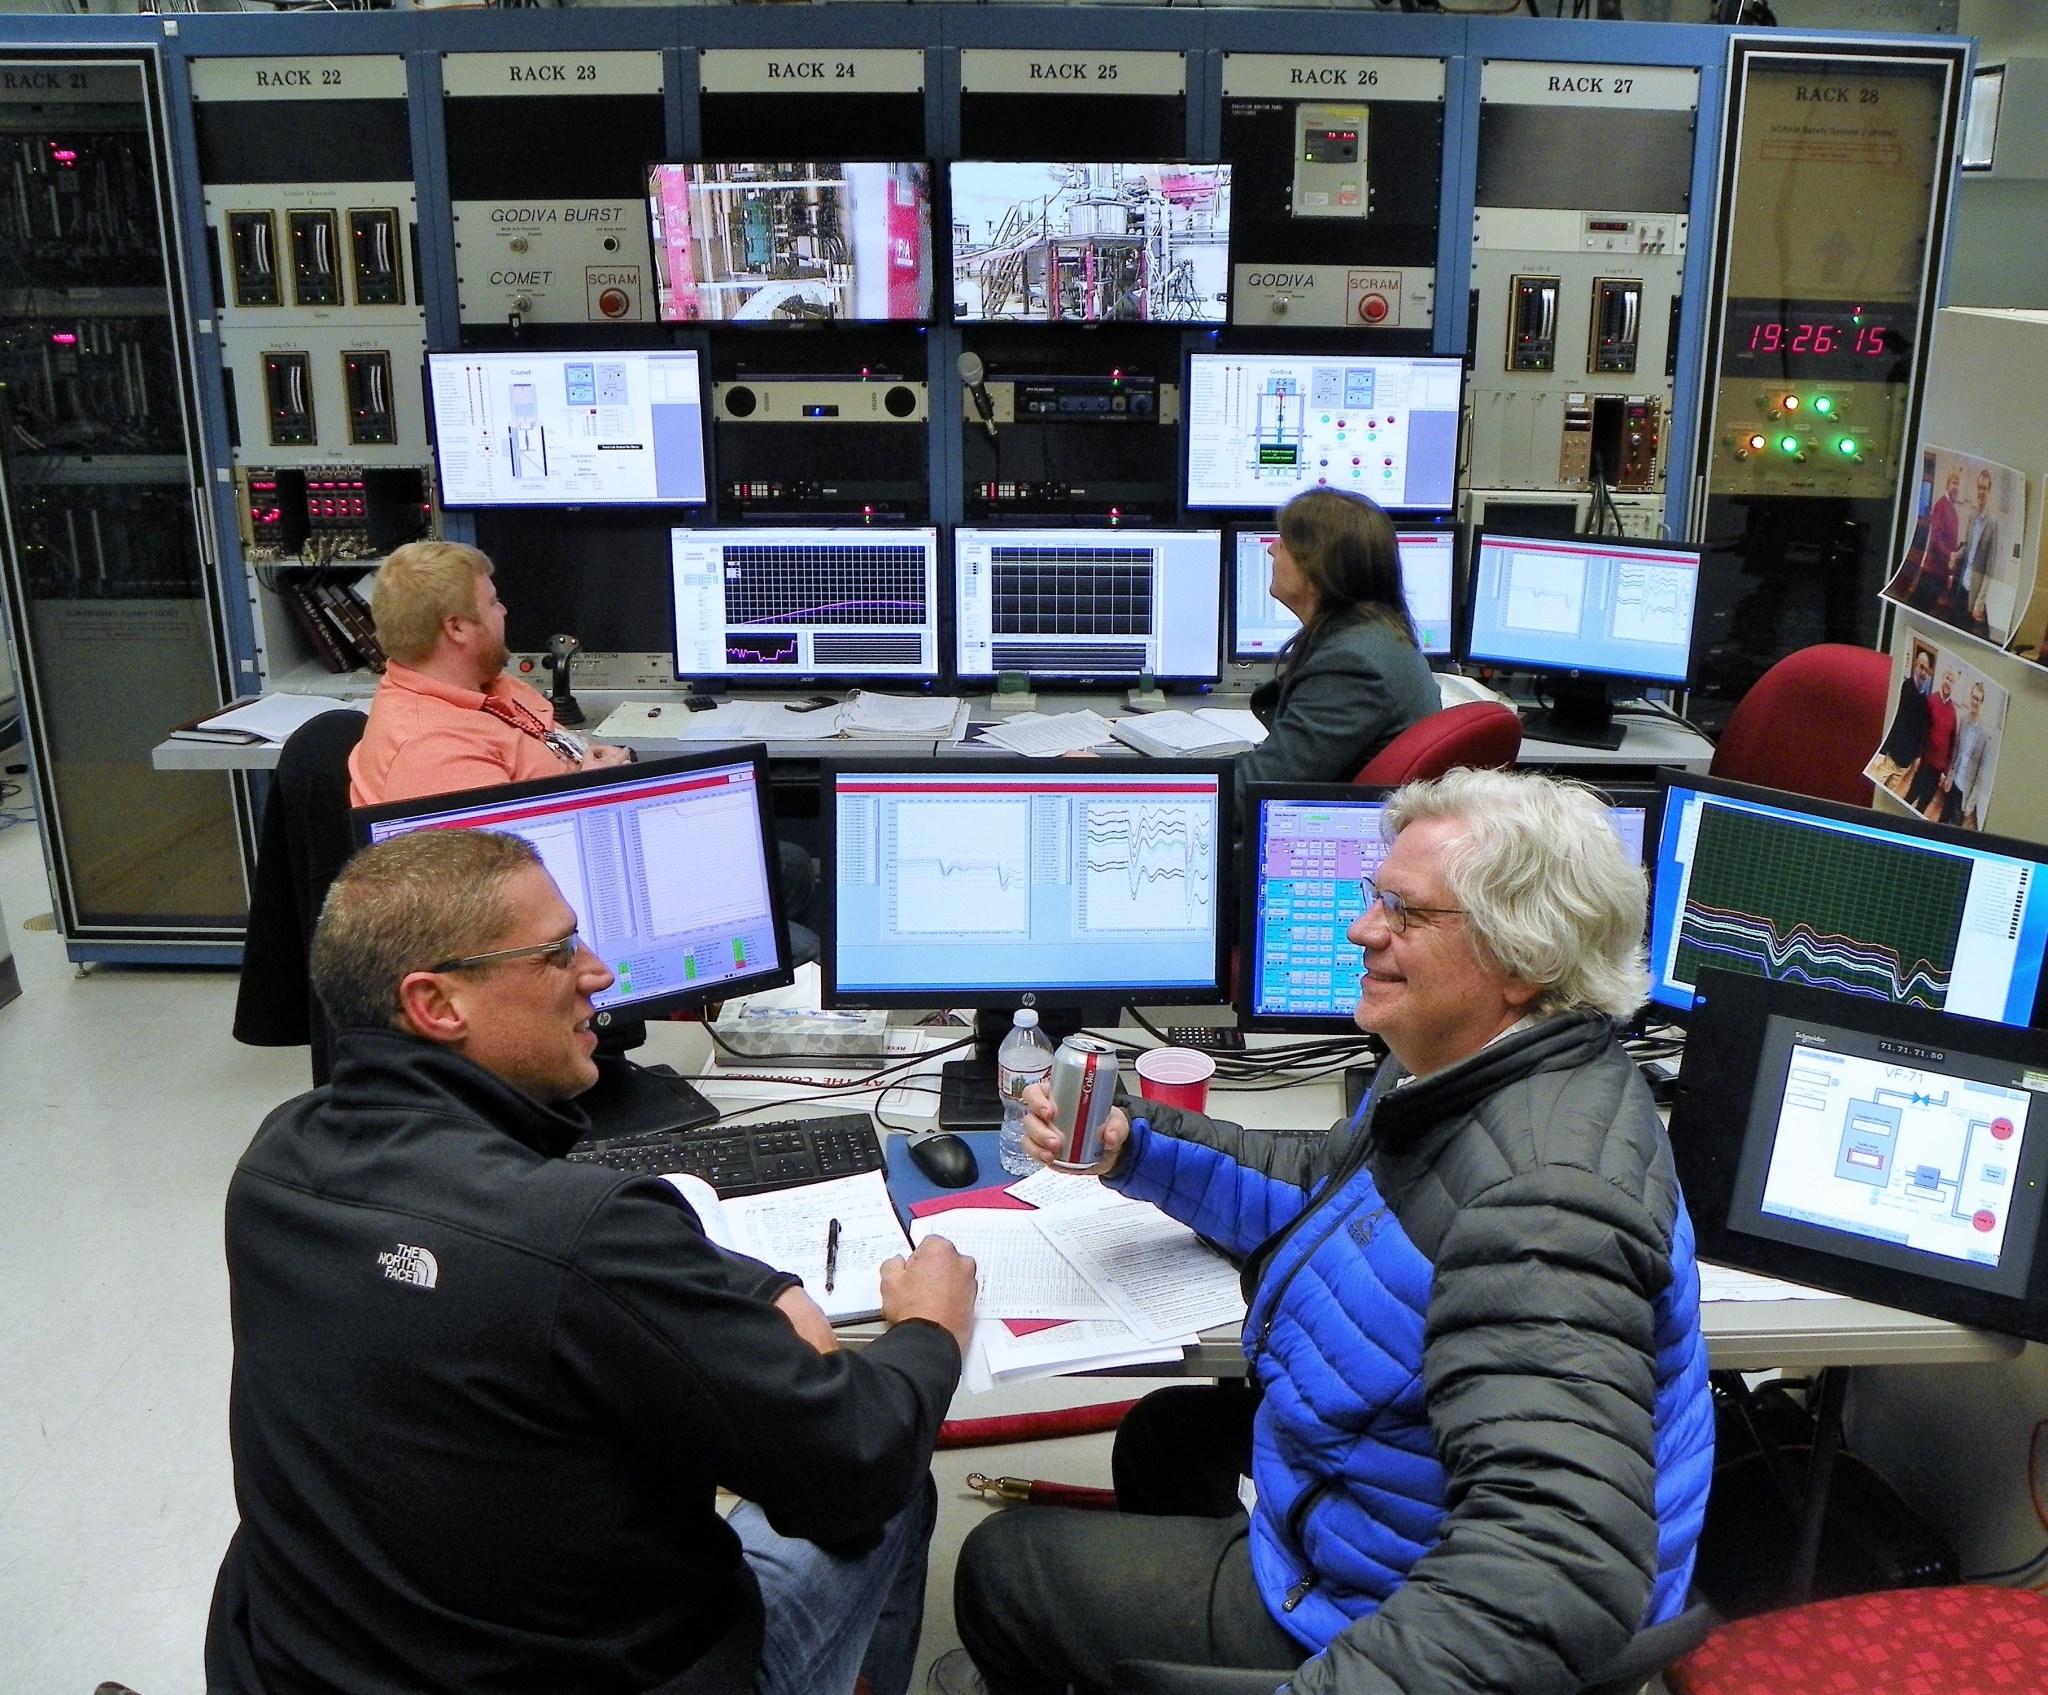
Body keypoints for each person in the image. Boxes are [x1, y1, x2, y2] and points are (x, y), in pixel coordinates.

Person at [955, 768, 1715, 1695]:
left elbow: (1556, 1566)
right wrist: (1134, 1147)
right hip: (1393, 1509)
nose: (1364, 929)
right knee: (1168, 1435)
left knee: (1002, 1566)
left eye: (1404, 912)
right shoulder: (1474, 1066)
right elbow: (1330, 1193)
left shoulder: (1543, 1202)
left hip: (1388, 1606)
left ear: (1523, 960)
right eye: (1373, 897)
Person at [205, 828, 978, 1695]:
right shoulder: (580, 1236)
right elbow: (854, 1464)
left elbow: (517, 1257)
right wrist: (929, 1329)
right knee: (897, 1469)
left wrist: (757, 1285)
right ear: (438, 1003)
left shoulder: (277, 1160)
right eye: (557, 950)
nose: (600, 971)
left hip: (303, 1667)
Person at [348, 540, 819, 960]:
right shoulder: (431, 753)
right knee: (803, 947)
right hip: (557, 905)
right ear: (456, 628)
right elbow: (505, 897)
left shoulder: (482, 683)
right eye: (491, 602)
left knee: (792, 865)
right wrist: (597, 792)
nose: (505, 611)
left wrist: (590, 769)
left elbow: (558, 745)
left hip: (592, 846)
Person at [1234, 489, 1440, 815]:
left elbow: (1255, 793)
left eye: (1284, 543)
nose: (1272, 549)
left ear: (1315, 569)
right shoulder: (1379, 634)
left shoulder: (1352, 665)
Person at [1876, 646, 1934, 796]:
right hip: (1892, 755)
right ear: (1915, 665)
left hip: (1905, 762)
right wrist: (1882, 751)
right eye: (1921, 667)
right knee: (1874, 789)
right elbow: (1896, 720)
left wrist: (1916, 756)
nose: (1923, 673)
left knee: (1888, 794)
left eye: (1926, 670)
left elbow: (1920, 731)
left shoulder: (1924, 700)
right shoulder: (1905, 688)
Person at [1950, 468, 2000, 638]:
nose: (1981, 491)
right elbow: (1967, 547)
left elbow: (1989, 570)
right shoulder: (1972, 516)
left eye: (1984, 488)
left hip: (1974, 593)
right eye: (1979, 487)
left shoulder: (1992, 525)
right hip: (1961, 586)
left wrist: (1980, 603)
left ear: (1989, 491)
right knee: (1951, 626)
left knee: (1963, 634)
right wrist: (1955, 555)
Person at [1908, 467, 1964, 614]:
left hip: (1941, 570)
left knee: (1928, 606)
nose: (1956, 487)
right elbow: (1935, 537)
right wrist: (1949, 555)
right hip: (1933, 569)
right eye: (1953, 483)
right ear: (1947, 485)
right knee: (1920, 605)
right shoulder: (1941, 505)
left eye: (1958, 484)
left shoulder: (1952, 508)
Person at [1939, 679, 1992, 829]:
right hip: (1954, 784)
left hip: (1965, 793)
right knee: (1942, 820)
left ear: (1982, 702)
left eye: (1978, 699)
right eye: (1973, 697)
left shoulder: (1985, 735)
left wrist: (1971, 803)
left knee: (1954, 829)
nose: (1974, 702)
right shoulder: (1963, 721)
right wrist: (1949, 777)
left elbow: (1981, 774)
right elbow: (1956, 753)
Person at [1907, 667, 1958, 813]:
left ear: (1953, 685)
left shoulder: (1953, 714)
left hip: (1937, 770)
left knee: (1923, 805)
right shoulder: (1931, 700)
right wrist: (1917, 755)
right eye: (1946, 679)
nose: (1948, 683)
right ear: (1942, 680)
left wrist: (1945, 772)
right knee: (1910, 796)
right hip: (1924, 762)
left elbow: (1952, 745)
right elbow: (1922, 730)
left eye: (1951, 681)